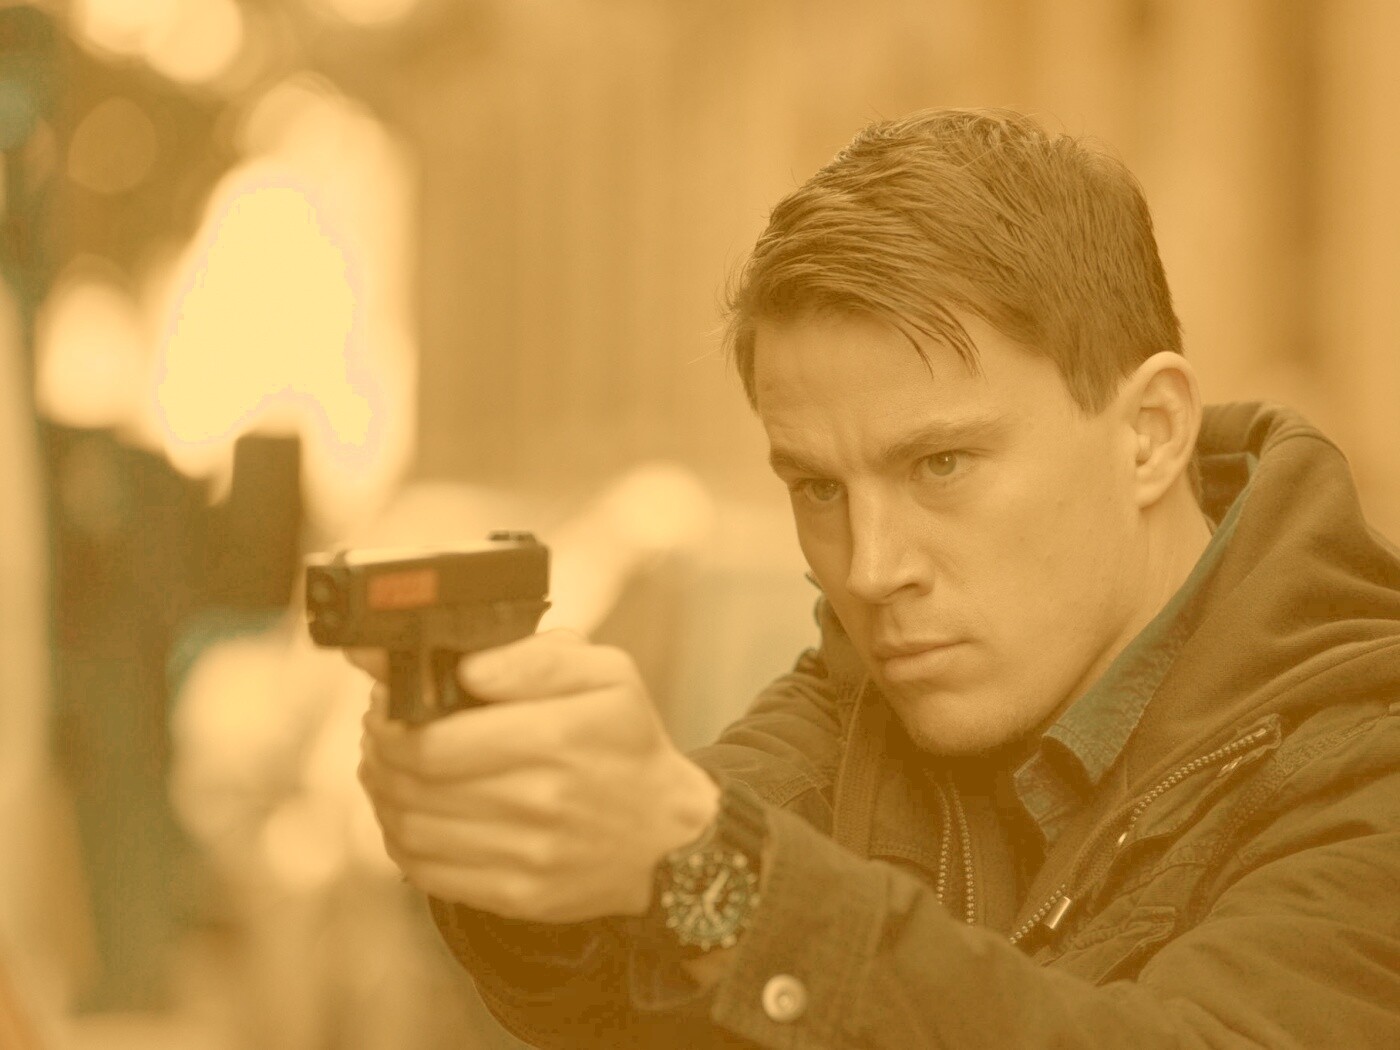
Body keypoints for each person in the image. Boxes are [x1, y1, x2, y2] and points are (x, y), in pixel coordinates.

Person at [352, 109, 1400, 1048]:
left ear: (1149, 435)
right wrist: (511, 831)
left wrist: (704, 868)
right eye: (817, 488)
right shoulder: (863, 695)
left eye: (939, 465)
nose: (869, 567)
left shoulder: (1369, 762)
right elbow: (617, 981)